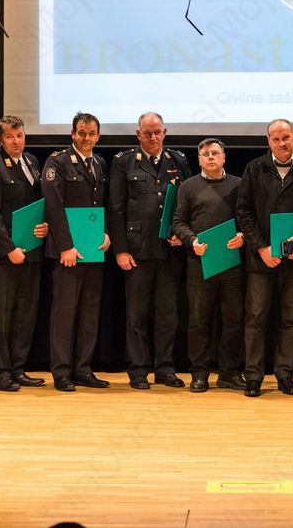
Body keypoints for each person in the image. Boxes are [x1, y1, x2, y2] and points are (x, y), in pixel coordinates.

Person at [236, 119, 293, 397]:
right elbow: (244, 212)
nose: (281, 143)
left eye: (285, 137)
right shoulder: (254, 168)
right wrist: (261, 248)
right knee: (255, 317)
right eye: (275, 139)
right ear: (268, 141)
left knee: (291, 318)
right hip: (261, 260)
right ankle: (253, 376)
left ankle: (285, 374)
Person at [109, 112, 192, 390]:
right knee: (137, 315)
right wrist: (121, 250)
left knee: (168, 315)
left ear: (165, 132)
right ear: (138, 134)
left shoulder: (178, 160)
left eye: (157, 132)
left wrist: (182, 235)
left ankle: (165, 368)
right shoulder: (123, 161)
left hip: (170, 250)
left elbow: (187, 203)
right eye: (147, 133)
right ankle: (138, 370)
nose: (153, 137)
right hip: (137, 250)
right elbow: (116, 208)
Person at [0, 115, 50, 392]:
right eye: (10, 137)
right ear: (0, 139)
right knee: (2, 316)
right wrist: (8, 249)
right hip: (4, 255)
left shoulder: (31, 162)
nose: (16, 141)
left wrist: (45, 226)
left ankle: (18, 368)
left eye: (19, 136)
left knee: (25, 314)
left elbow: (37, 205)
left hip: (31, 251)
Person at [42, 112, 111, 392]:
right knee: (65, 313)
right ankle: (61, 372)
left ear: (98, 136)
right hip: (67, 252)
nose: (86, 138)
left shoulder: (100, 163)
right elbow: (53, 205)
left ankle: (83, 369)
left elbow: (102, 204)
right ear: (73, 134)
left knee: (89, 312)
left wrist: (105, 232)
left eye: (92, 133)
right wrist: (65, 246)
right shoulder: (57, 162)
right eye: (81, 133)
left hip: (93, 250)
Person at [171, 138, 246, 393]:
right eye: (205, 154)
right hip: (199, 262)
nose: (211, 157)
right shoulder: (188, 186)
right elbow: (178, 221)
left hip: (231, 263)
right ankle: (199, 374)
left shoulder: (239, 184)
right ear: (199, 159)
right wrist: (191, 241)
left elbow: (247, 218)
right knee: (198, 321)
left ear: (224, 157)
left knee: (233, 320)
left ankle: (229, 373)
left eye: (215, 153)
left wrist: (242, 237)